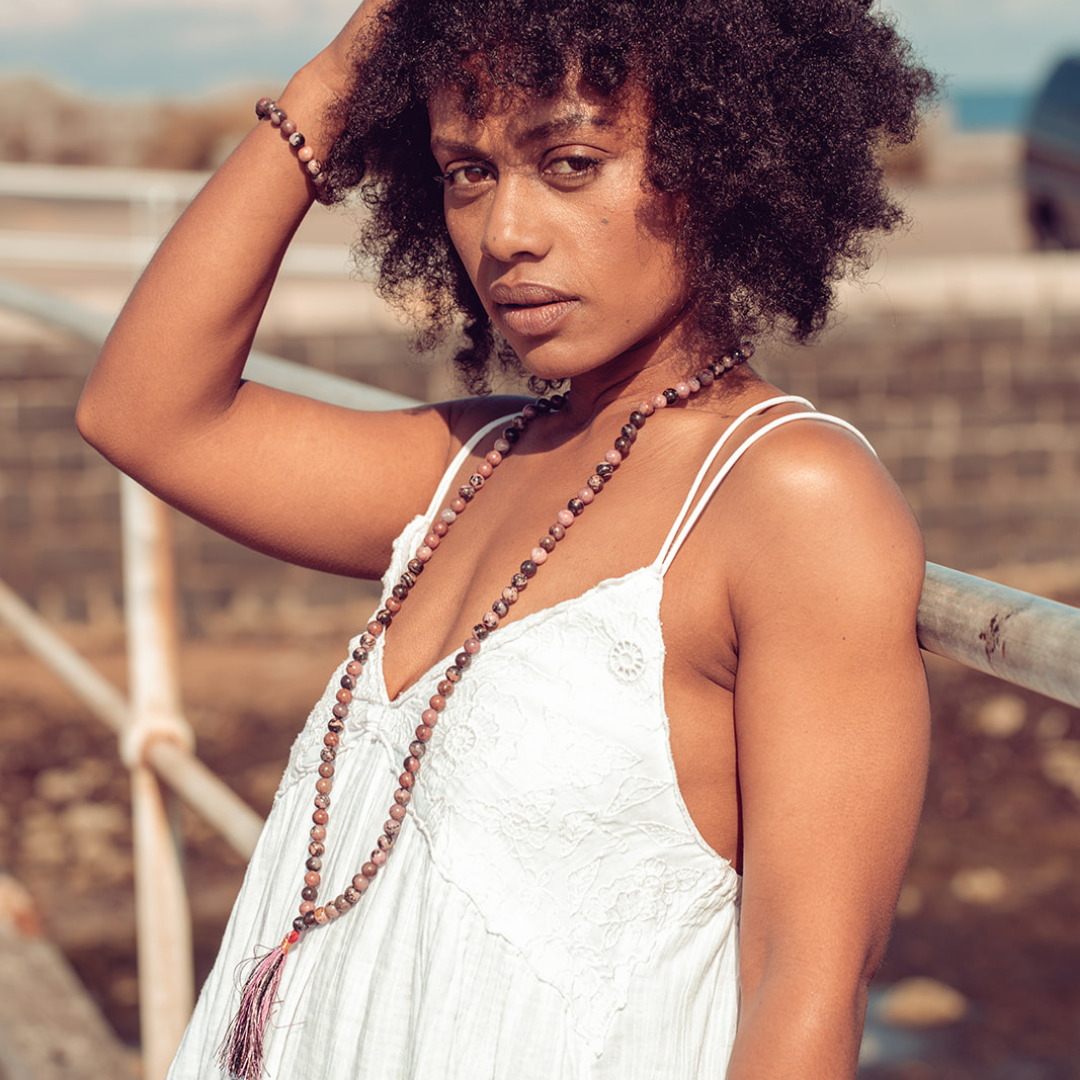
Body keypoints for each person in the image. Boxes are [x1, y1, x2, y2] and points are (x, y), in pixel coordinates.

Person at [77, 0, 935, 1077]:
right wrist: (342, 72)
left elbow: (803, 988)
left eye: (571, 163)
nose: (503, 232)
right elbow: (142, 411)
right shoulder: (472, 466)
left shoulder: (791, 497)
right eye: (466, 171)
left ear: (722, 158)